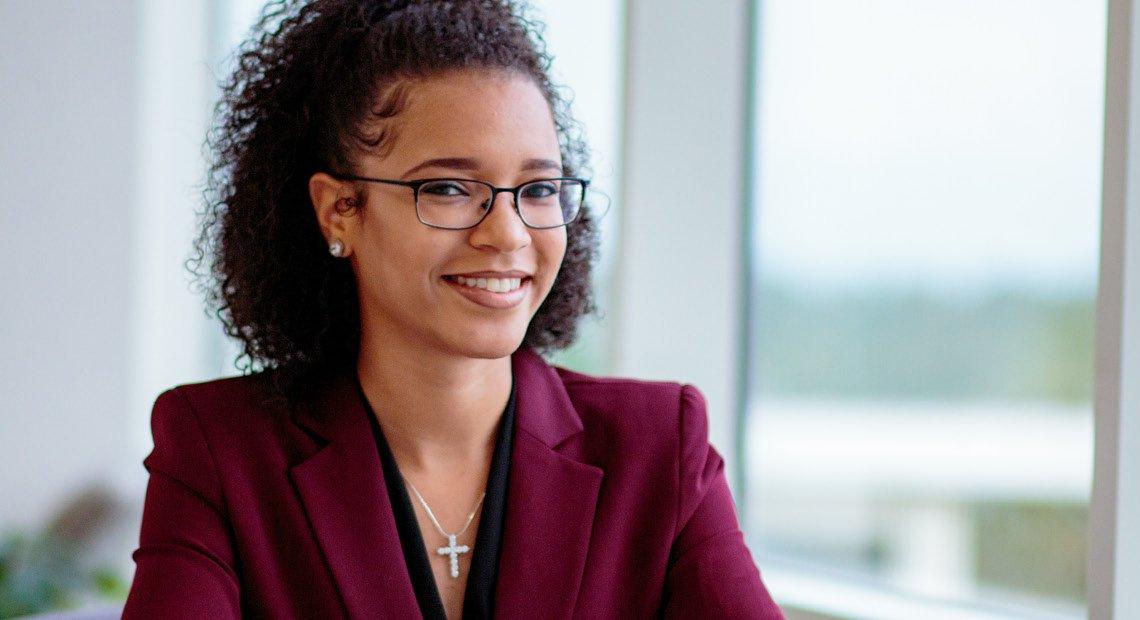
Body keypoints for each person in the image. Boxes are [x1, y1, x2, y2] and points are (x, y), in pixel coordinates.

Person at [120, 0, 782, 617]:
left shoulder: (661, 446)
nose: (508, 234)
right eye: (447, 188)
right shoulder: (219, 450)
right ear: (339, 210)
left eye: (539, 188)